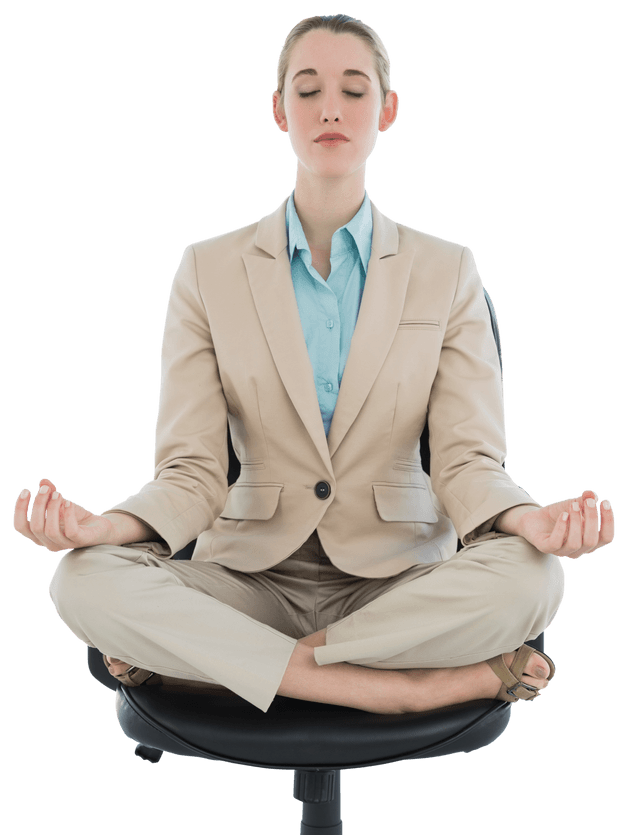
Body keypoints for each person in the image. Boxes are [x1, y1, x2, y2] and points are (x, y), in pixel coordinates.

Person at [12, 14, 614, 716]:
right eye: (308, 90)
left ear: (387, 110)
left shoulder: (448, 271)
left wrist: (528, 523)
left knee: (531, 581)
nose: (331, 108)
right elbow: (192, 475)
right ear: (279, 111)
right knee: (81, 581)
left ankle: (213, 664)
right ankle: (398, 690)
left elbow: (465, 463)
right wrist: (101, 529)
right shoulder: (207, 270)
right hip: (247, 577)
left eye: (354, 91)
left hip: (396, 580)